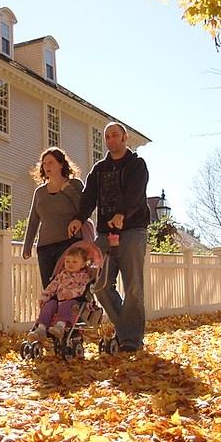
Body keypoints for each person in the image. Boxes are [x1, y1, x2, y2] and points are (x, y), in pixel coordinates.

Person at [68, 122, 151, 352]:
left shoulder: (137, 165)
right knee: (100, 284)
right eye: (107, 137)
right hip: (105, 235)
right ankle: (127, 331)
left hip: (133, 231)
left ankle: (131, 341)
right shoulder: (99, 169)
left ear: (125, 138)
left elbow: (136, 194)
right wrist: (78, 218)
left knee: (133, 287)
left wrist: (122, 213)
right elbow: (88, 197)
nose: (111, 140)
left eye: (115, 135)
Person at [22, 148, 84, 288]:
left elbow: (84, 209)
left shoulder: (74, 184)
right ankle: (52, 311)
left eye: (51, 162)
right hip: (44, 247)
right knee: (50, 289)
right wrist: (27, 246)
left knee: (67, 287)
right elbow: (33, 220)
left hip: (68, 244)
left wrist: (67, 189)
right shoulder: (40, 192)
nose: (47, 166)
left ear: (61, 164)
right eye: (44, 163)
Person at [26, 242, 97, 344]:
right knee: (48, 305)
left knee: (66, 305)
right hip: (58, 299)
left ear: (82, 264)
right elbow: (52, 286)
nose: (70, 264)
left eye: (74, 262)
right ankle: (41, 329)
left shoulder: (83, 276)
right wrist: (44, 297)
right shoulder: (62, 275)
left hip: (75, 301)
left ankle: (60, 326)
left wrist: (71, 293)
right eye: (67, 261)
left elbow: (83, 288)